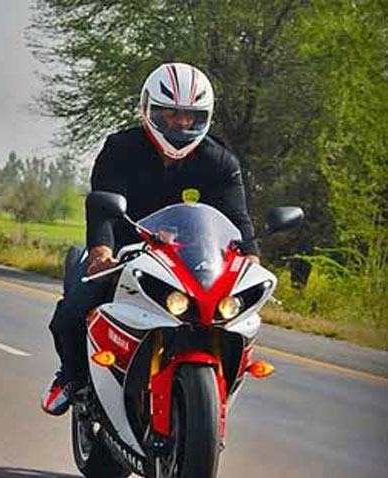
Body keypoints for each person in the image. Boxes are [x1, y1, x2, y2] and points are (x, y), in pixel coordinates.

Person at [41, 62, 261, 416]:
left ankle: (214, 396)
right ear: (148, 110)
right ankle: (71, 376)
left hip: (187, 260)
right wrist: (101, 251)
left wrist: (251, 255)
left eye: (190, 116)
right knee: (71, 312)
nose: (179, 124)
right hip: (125, 251)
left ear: (204, 117)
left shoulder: (219, 162)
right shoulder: (120, 148)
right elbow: (102, 207)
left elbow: (237, 218)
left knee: (229, 319)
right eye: (169, 113)